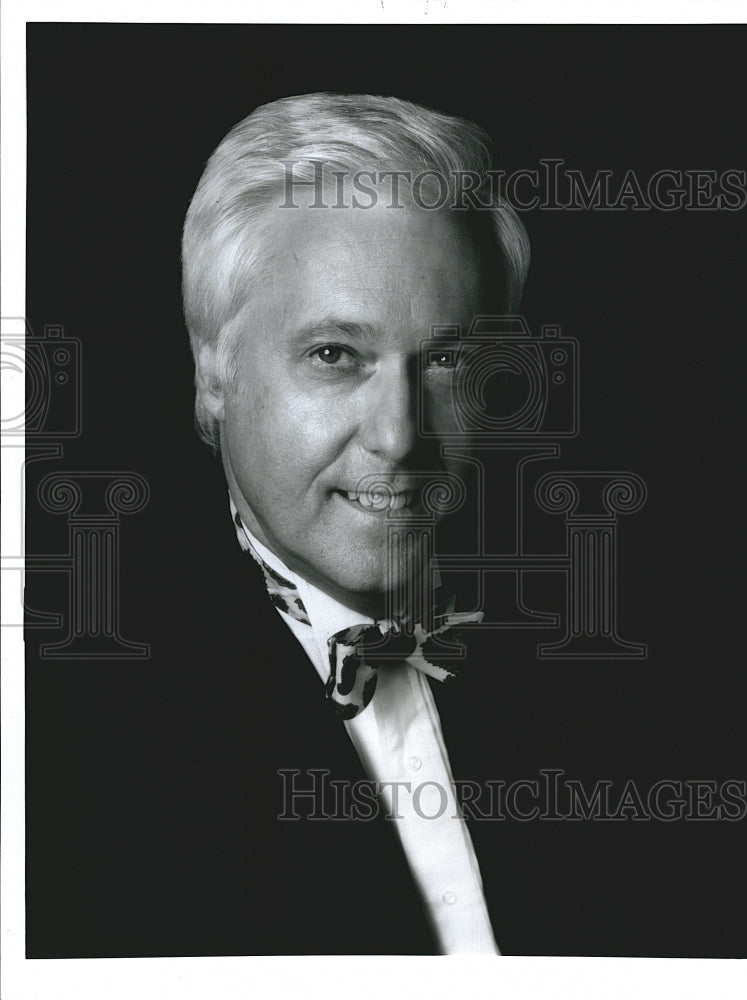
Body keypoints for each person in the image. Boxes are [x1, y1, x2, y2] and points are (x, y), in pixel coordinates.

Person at [178, 92, 531, 955]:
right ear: (214, 371)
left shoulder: (620, 683)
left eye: (447, 360)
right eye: (336, 355)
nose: (402, 437)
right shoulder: (67, 734)